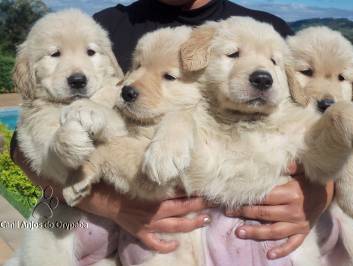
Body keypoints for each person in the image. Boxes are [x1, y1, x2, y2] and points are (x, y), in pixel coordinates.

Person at [10, 0, 334, 262]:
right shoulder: (105, 27)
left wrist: (319, 195)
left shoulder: (268, 32)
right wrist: (114, 206)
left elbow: (315, 122)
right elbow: (24, 147)